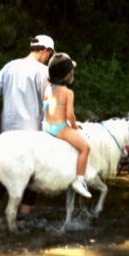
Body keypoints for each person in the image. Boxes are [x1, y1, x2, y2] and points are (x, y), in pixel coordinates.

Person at [0, 34, 54, 217]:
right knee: (34, 178)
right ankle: (23, 218)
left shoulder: (10, 66)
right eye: (49, 54)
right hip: (31, 136)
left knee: (2, 175)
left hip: (7, 134)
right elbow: (49, 102)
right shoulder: (44, 72)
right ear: (45, 51)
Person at [43, 53, 92, 198]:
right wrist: (74, 127)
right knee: (85, 148)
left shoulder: (48, 88)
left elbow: (45, 108)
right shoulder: (68, 92)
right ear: (66, 75)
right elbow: (70, 115)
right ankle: (79, 180)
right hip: (59, 128)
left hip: (46, 126)